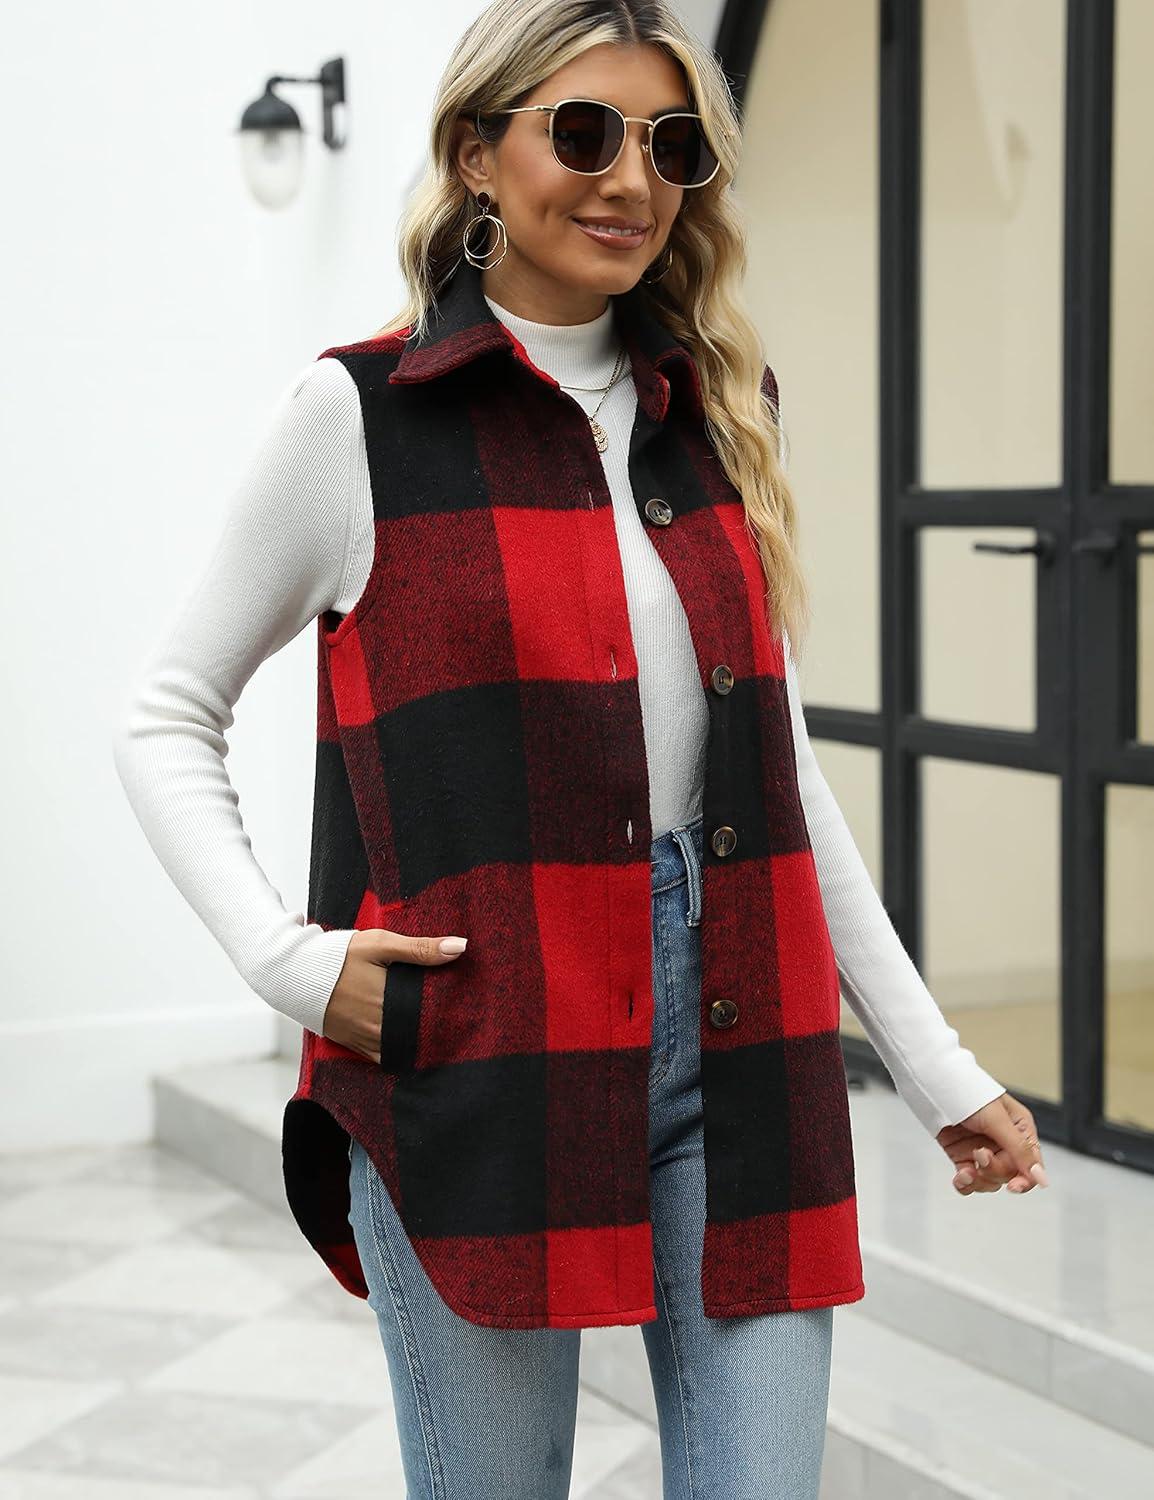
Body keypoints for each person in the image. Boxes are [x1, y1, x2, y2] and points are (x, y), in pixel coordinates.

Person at [114, 1, 1050, 1494]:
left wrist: (936, 1069)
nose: (630, 178)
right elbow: (167, 709)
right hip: (481, 1042)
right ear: (476, 152)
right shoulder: (359, 418)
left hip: (742, 1037)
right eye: (585, 131)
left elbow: (779, 779)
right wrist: (286, 961)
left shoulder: (721, 409)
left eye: (670, 145)